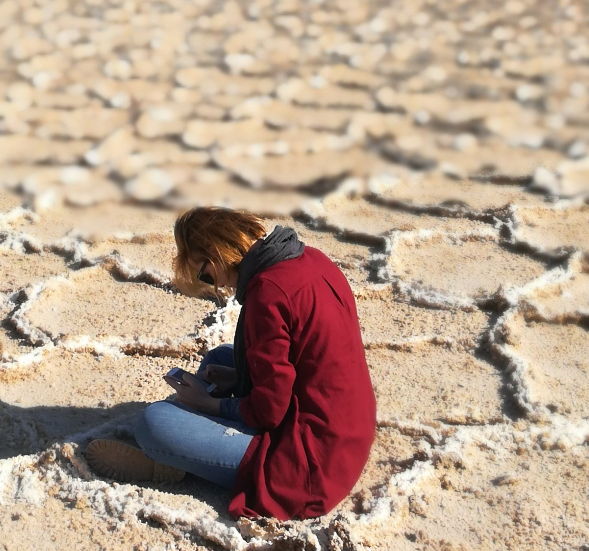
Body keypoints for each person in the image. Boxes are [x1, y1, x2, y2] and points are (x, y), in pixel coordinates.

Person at [85, 206, 376, 520]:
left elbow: (269, 412)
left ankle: (174, 457)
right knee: (220, 357)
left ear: (216, 255)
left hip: (311, 463)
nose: (215, 285)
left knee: (153, 422)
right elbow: (306, 359)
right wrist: (239, 379)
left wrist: (210, 405)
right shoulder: (310, 258)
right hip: (349, 429)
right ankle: (188, 444)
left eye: (204, 274)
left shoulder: (269, 293)